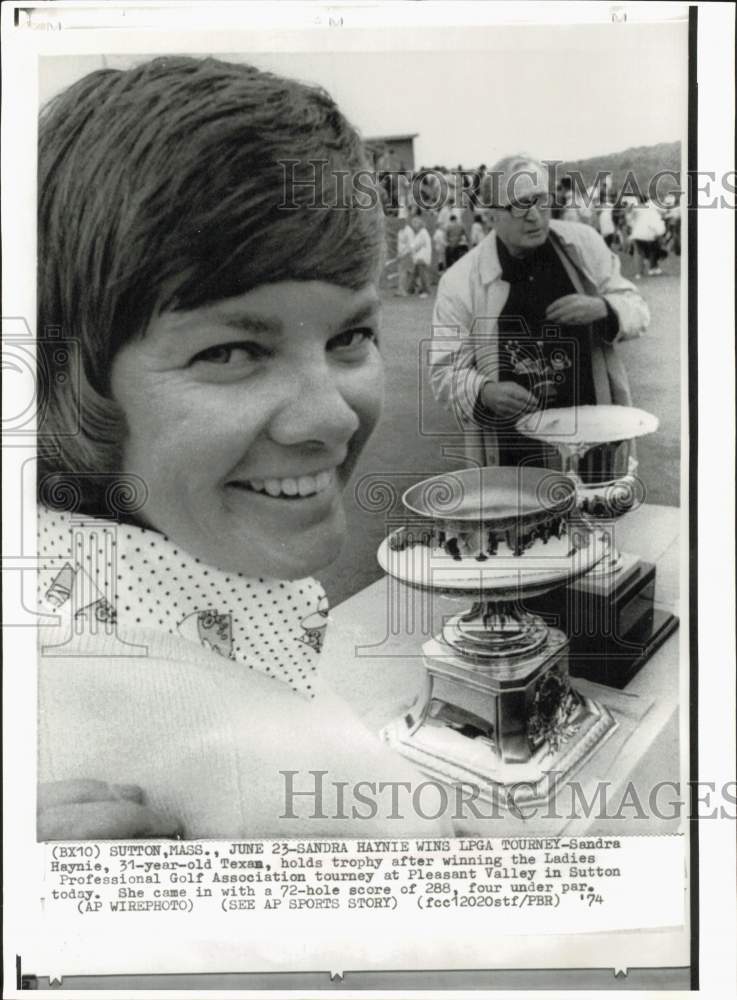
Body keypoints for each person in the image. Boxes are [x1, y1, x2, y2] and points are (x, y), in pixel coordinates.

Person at [36, 56, 450, 840]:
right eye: (229, 352)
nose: (330, 418)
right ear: (70, 378)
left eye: (350, 336)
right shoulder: (288, 792)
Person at [429, 155, 649, 468]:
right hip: (513, 447)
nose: (534, 216)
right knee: (520, 513)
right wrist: (484, 391)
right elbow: (445, 371)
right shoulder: (459, 281)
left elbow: (638, 308)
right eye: (519, 205)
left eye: (541, 201)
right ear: (491, 216)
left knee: (594, 511)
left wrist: (603, 307)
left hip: (592, 431)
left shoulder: (584, 244)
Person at [409, 214, 432, 298]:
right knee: (415, 275)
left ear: (419, 224)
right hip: (418, 257)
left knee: (423, 276)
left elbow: (417, 245)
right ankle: (411, 290)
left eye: (414, 224)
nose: (413, 226)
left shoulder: (423, 233)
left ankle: (426, 291)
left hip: (422, 258)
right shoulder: (420, 233)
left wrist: (411, 247)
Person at [395, 216, 415, 295]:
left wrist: (403, 255)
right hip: (401, 255)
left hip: (408, 255)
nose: (399, 224)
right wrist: (398, 254)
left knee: (405, 273)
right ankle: (401, 290)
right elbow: (399, 244)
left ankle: (403, 291)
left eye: (401, 222)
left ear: (405, 222)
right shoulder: (400, 231)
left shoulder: (409, 231)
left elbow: (410, 245)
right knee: (401, 273)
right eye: (398, 222)